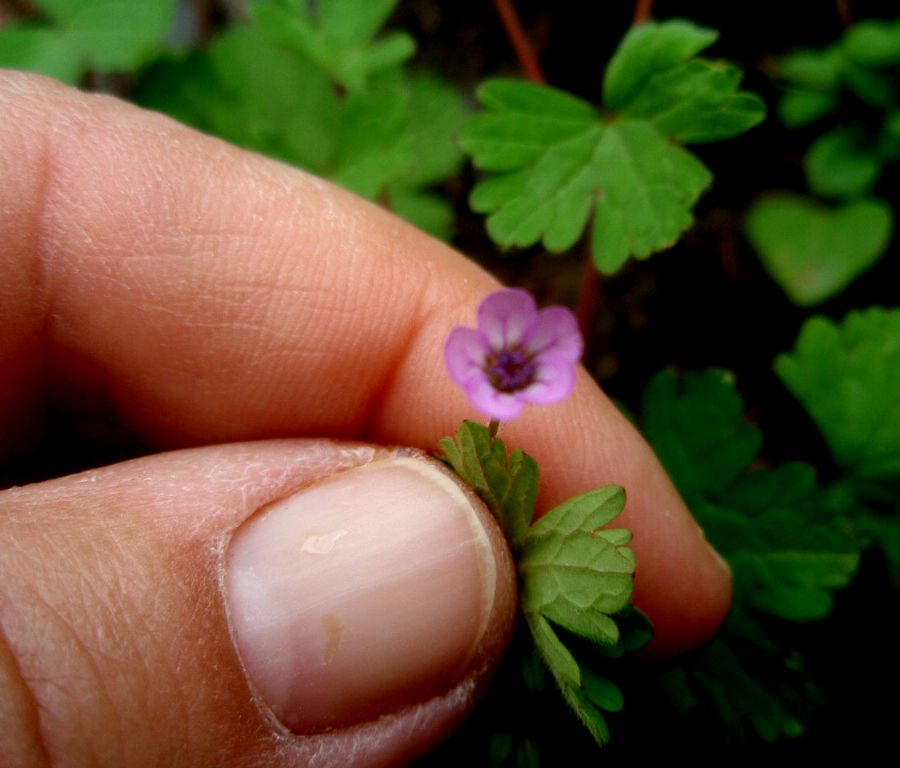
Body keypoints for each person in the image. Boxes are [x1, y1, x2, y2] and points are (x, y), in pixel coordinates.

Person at [0, 71, 732, 767]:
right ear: (489, 359)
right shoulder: (488, 366)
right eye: (504, 365)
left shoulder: (521, 368)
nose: (512, 370)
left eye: (521, 368)